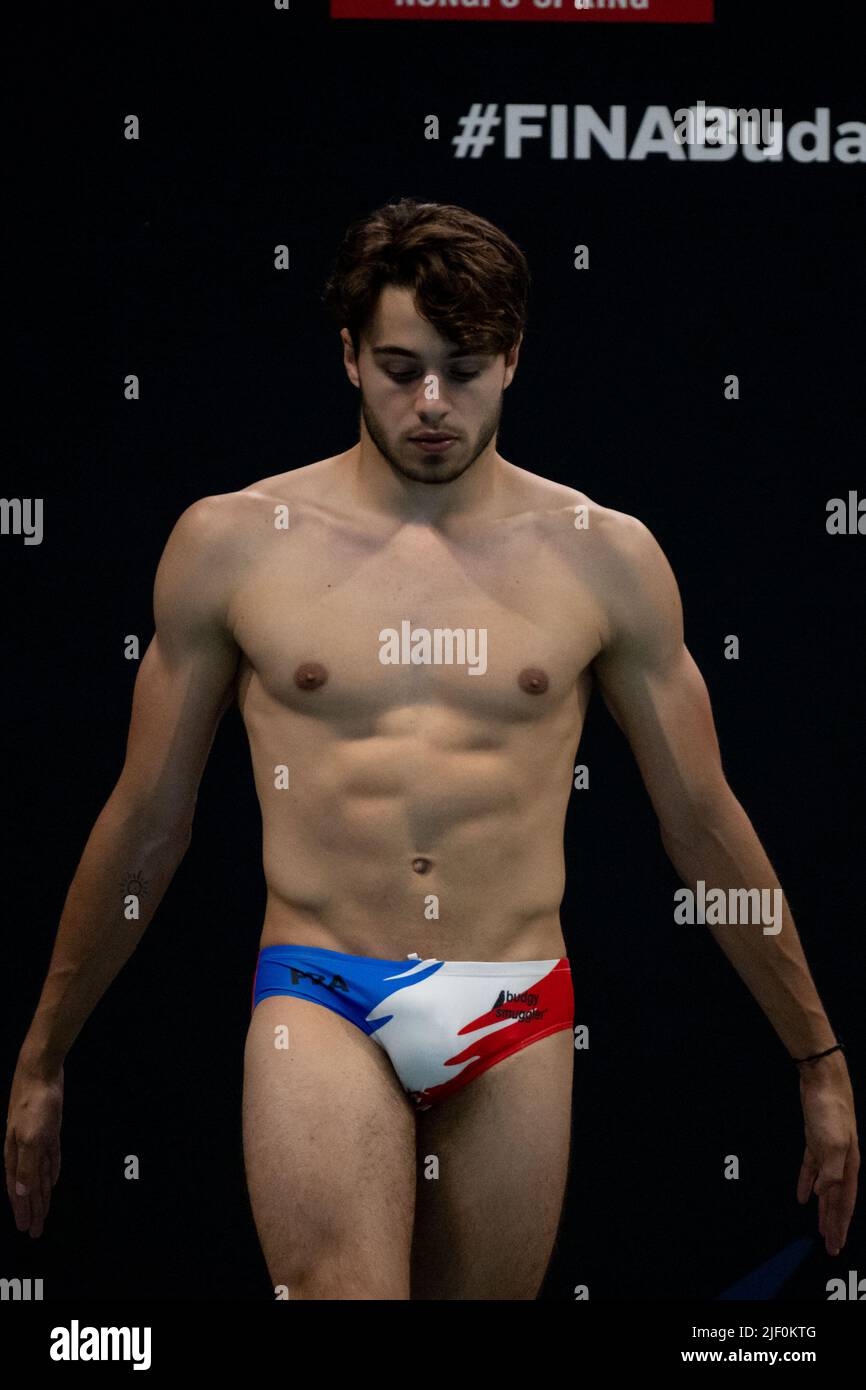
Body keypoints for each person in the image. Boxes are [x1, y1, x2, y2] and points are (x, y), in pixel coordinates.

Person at [6, 198, 858, 1300]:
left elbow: (701, 821)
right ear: (347, 354)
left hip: (514, 1002)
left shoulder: (605, 559)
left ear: (511, 357)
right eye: (399, 367)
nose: (429, 404)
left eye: (461, 369)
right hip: (319, 990)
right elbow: (146, 819)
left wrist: (818, 1057)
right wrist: (43, 1051)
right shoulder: (230, 545)